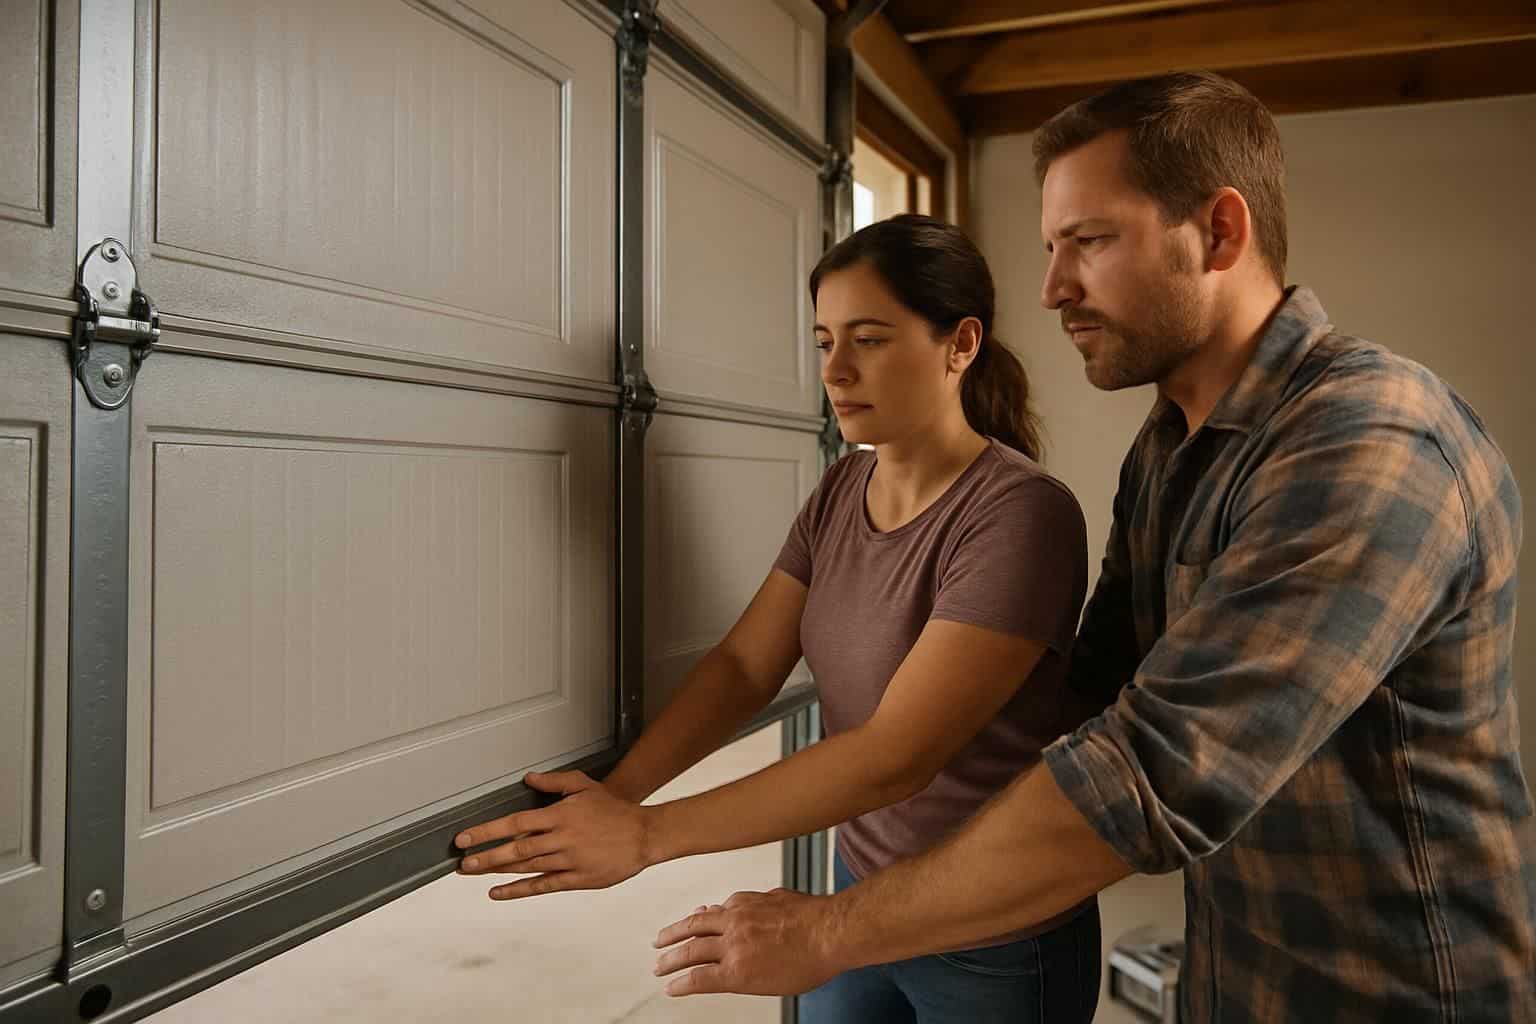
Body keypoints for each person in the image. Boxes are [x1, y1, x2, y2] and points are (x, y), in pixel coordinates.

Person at [652, 72, 1536, 1022]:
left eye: (1090, 241)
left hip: (1392, 997)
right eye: (1049, 247)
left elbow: (1148, 775)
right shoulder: (1168, 449)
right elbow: (1095, 693)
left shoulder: (1370, 442)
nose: (1052, 286)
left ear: (1221, 234)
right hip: (1236, 977)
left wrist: (823, 929)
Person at [454, 214, 1100, 1021]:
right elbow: (745, 666)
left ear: (960, 344)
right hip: (858, 888)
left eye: (869, 339)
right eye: (825, 340)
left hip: (991, 929)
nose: (836, 370)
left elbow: (893, 757)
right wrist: (617, 797)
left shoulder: (1020, 515)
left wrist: (649, 836)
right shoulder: (838, 492)